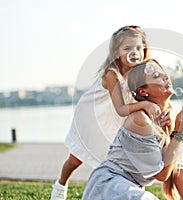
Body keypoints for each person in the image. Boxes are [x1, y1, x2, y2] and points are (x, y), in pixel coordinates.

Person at [50, 26, 166, 200]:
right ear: (116, 52)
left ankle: (115, 187)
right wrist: (146, 106)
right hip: (94, 115)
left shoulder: (140, 72)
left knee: (113, 156)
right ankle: (61, 184)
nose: (134, 52)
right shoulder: (112, 74)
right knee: (76, 158)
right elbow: (121, 108)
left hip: (115, 118)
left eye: (138, 48)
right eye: (127, 48)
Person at [82, 59, 183, 200]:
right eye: (156, 76)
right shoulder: (140, 120)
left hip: (128, 188)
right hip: (108, 186)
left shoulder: (168, 116)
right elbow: (161, 175)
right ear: (143, 91)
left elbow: (178, 166)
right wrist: (178, 132)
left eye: (163, 73)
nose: (165, 77)